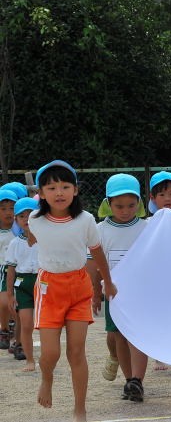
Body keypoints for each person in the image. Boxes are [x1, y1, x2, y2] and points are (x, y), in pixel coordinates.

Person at [28, 160, 117, 422]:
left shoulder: (86, 220)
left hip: (79, 287)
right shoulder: (35, 219)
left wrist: (107, 283)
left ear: (75, 190)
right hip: (49, 288)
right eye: (51, 187)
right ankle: (47, 379)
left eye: (65, 186)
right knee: (50, 354)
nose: (59, 192)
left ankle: (80, 409)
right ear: (41, 193)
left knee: (76, 351)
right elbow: (31, 236)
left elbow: (97, 253)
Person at [89, 174, 149, 402]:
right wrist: (95, 294)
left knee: (137, 337)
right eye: (119, 206)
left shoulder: (147, 227)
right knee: (119, 337)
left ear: (139, 203)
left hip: (140, 294)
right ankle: (128, 380)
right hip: (113, 295)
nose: (125, 210)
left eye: (131, 205)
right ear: (108, 204)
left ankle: (137, 380)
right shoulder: (99, 230)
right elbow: (93, 266)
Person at [148, 171, 171, 371]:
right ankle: (158, 354)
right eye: (161, 194)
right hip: (154, 280)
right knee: (156, 316)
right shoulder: (148, 224)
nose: (167, 198)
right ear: (153, 198)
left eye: (170, 193)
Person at [5, 197, 40, 369]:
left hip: (43, 283)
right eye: (22, 216)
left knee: (49, 324)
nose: (26, 219)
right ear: (16, 220)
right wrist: (10, 294)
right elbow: (10, 270)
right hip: (23, 284)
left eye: (31, 214)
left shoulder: (46, 239)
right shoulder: (14, 243)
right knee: (26, 324)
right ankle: (30, 360)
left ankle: (49, 355)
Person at [0, 189, 18, 350]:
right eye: (3, 208)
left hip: (19, 270)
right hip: (2, 270)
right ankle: (4, 330)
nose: (8, 212)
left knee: (19, 305)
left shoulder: (20, 229)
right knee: (4, 303)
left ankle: (17, 338)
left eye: (12, 208)